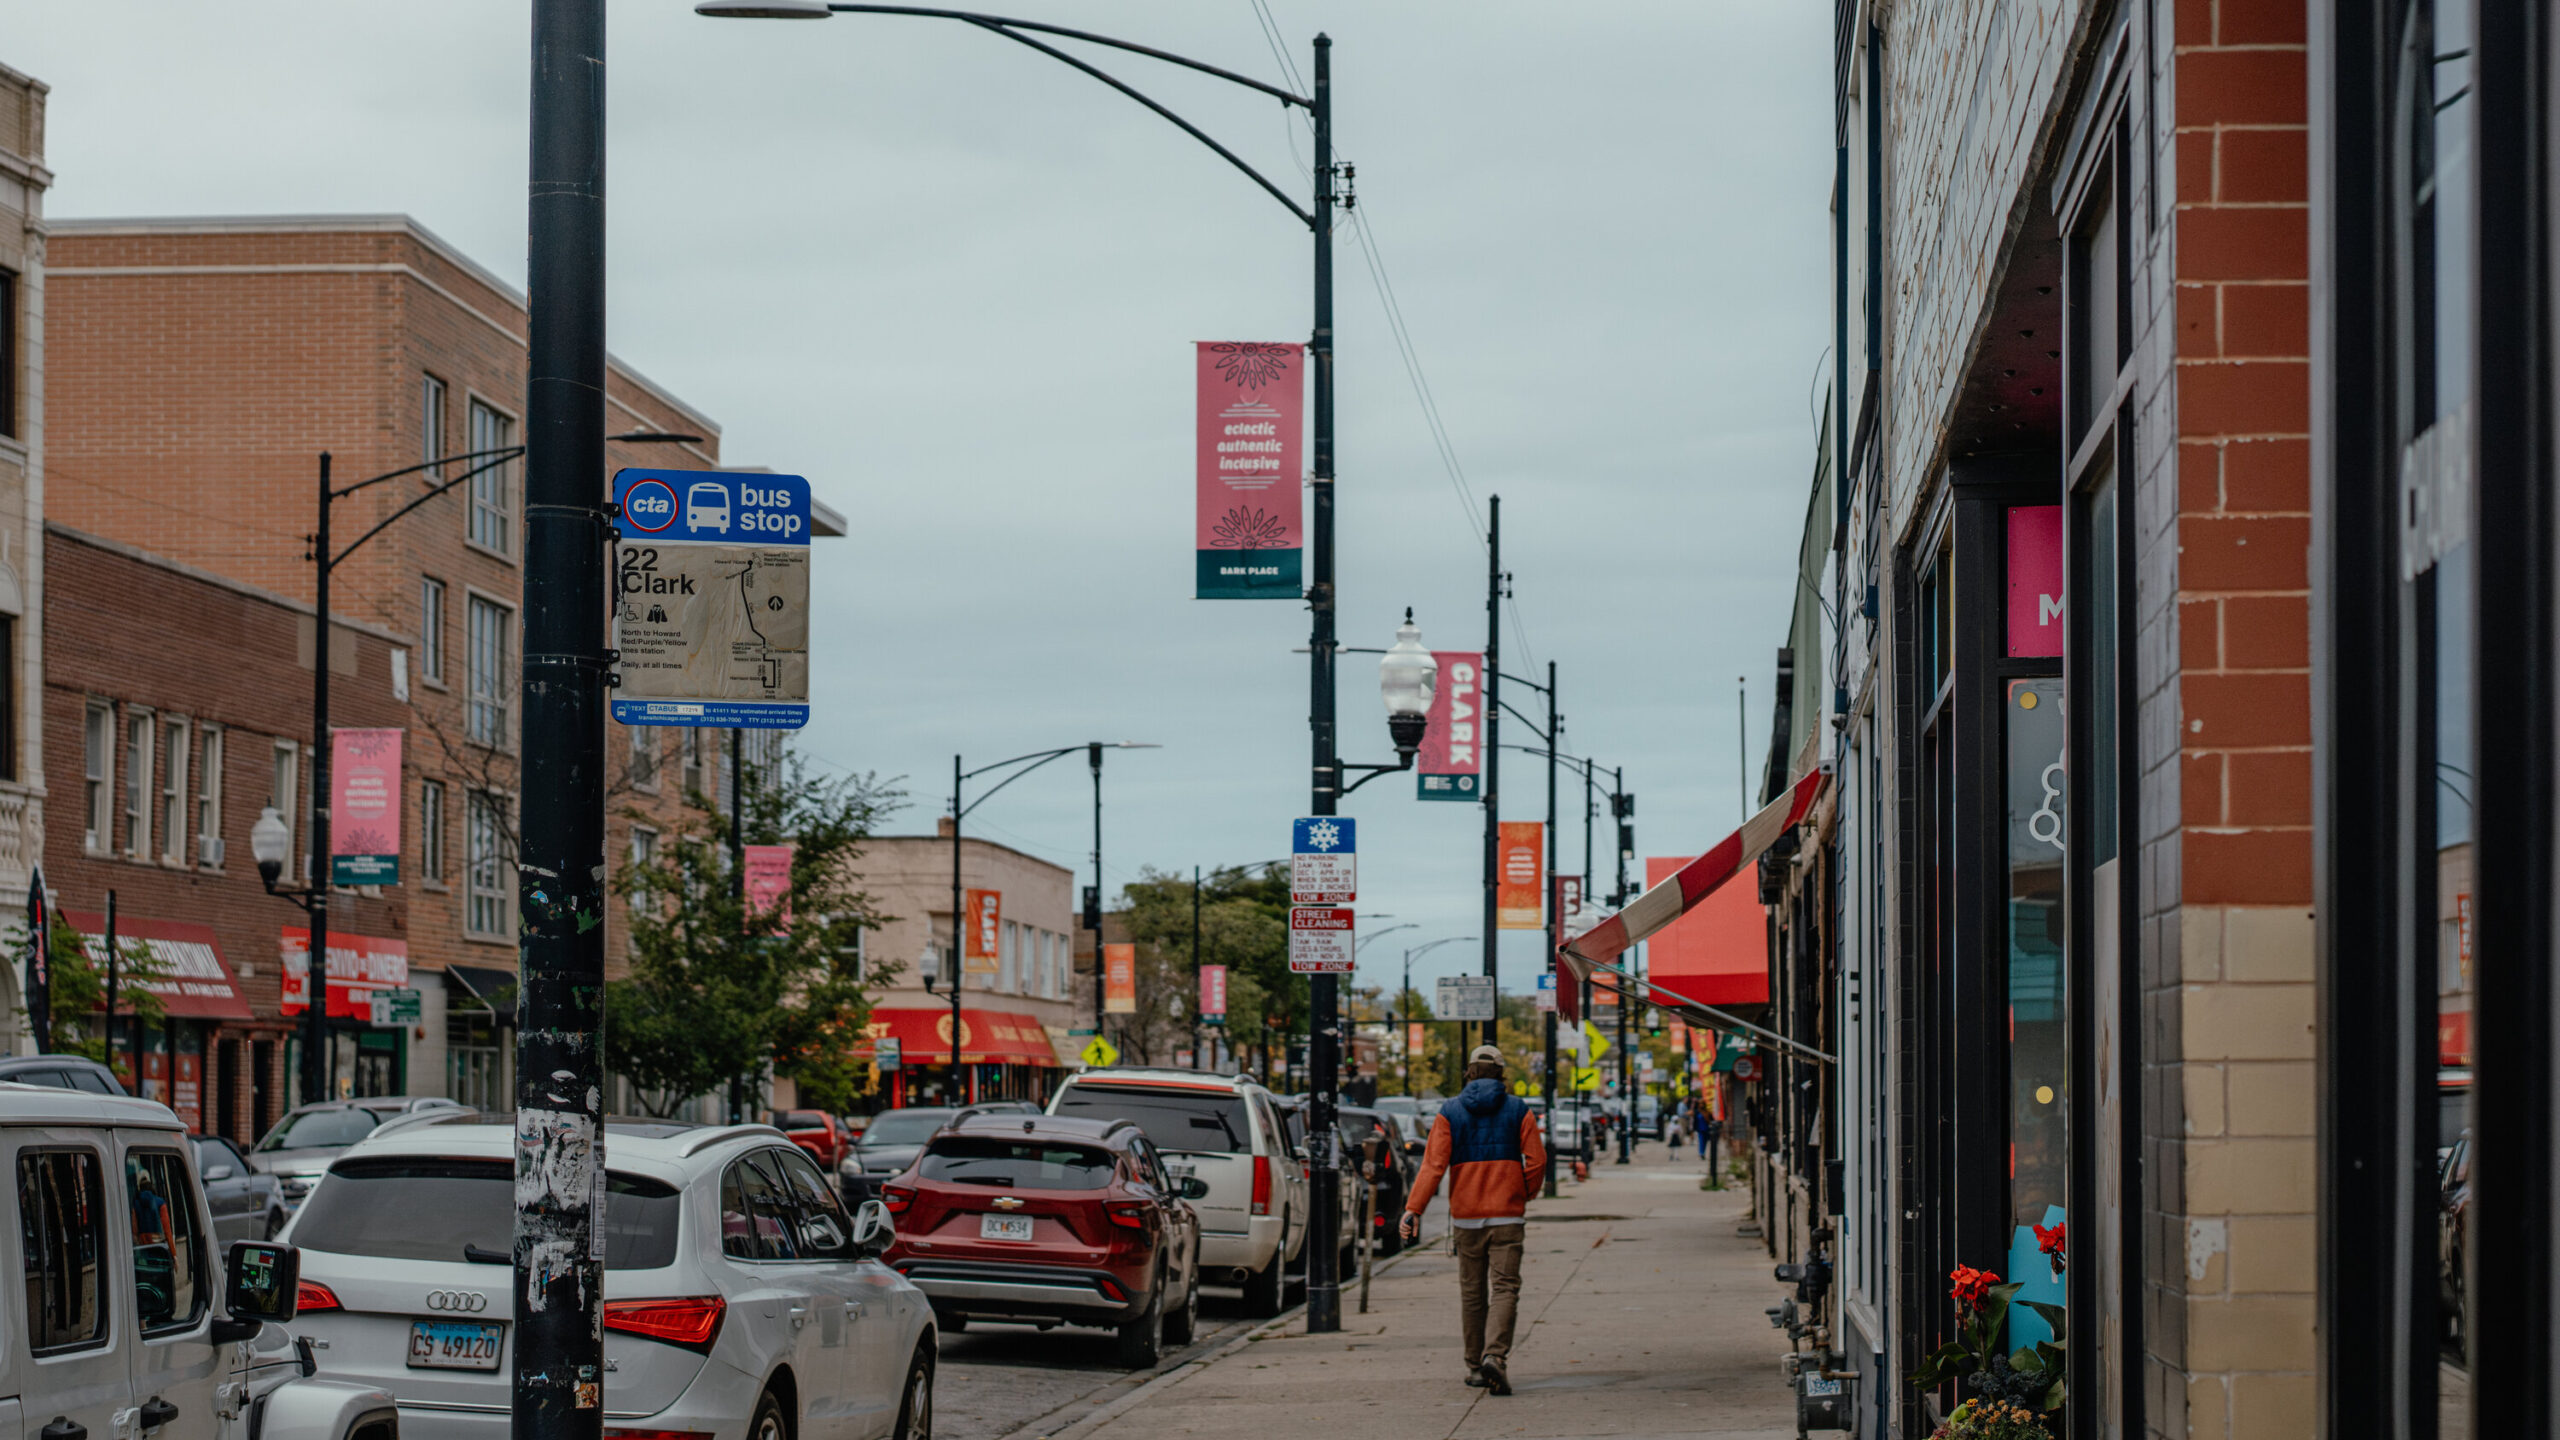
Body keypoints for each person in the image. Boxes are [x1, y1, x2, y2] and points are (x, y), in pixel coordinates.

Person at [1400, 1044, 1548, 1396]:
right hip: (1507, 1216)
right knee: (1505, 1287)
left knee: (1472, 1293)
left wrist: (1414, 1209)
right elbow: (1537, 1161)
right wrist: (1523, 1192)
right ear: (1500, 1073)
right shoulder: (1519, 1110)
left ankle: (1474, 1366)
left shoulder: (1449, 1112)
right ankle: (1494, 1356)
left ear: (1469, 1072)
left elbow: (1433, 1166)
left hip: (1466, 1218)